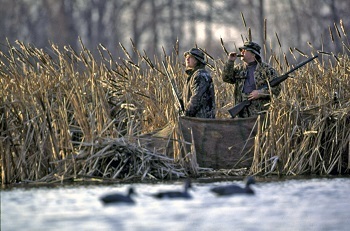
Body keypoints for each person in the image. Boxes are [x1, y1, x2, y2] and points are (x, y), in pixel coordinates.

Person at [221, 41, 281, 118]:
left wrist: (260, 93)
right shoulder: (239, 69)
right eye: (241, 50)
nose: (242, 52)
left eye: (245, 50)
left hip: (259, 113)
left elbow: (277, 89)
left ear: (253, 54)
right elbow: (226, 78)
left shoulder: (267, 70)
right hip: (241, 112)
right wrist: (230, 62)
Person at [182, 47, 215, 118]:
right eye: (187, 57)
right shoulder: (193, 75)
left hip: (201, 121)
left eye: (190, 57)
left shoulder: (200, 75)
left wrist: (186, 113)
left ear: (197, 60)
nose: (187, 59)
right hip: (197, 120)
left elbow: (196, 98)